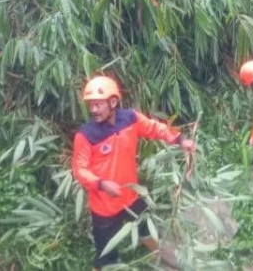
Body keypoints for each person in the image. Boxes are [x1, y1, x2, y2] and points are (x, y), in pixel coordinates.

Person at [72, 75, 195, 270]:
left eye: (98, 104)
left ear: (113, 102)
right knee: (105, 253)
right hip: (104, 205)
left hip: (131, 194)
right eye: (91, 105)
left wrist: (180, 140)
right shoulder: (86, 135)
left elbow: (155, 128)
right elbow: (79, 169)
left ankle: (159, 254)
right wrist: (101, 184)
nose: (93, 110)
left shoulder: (130, 119)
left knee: (145, 226)